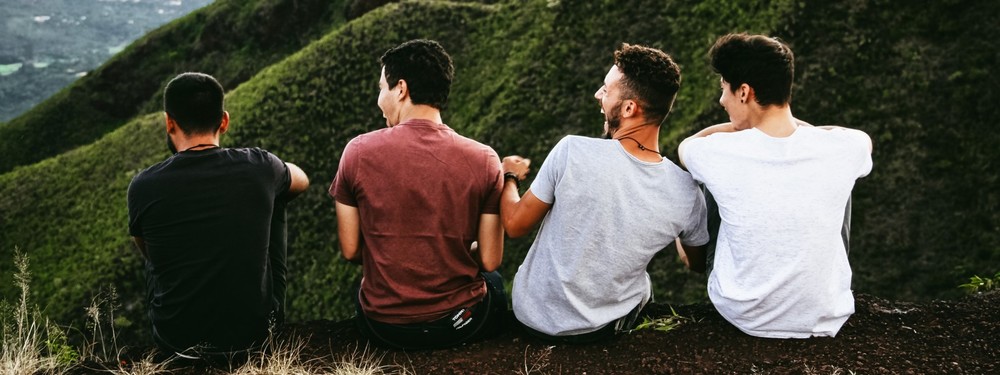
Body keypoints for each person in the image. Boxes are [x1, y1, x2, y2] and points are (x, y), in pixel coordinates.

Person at [500, 43, 710, 343]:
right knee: (643, 284)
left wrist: (509, 175)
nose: (598, 95)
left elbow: (514, 224)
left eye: (606, 89)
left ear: (628, 108)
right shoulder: (686, 192)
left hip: (531, 318)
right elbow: (696, 263)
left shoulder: (571, 150)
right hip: (600, 330)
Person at [678, 33, 873, 338]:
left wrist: (738, 128)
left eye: (724, 90)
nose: (721, 101)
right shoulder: (845, 148)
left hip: (743, 312)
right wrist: (797, 129)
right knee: (839, 178)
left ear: (744, 92)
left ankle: (699, 264)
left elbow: (687, 147)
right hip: (824, 315)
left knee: (709, 180)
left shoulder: (716, 151)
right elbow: (856, 137)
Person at [329, 39, 507, 350]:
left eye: (381, 88)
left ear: (401, 89)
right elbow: (490, 259)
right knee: (495, 282)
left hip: (383, 327)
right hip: (459, 324)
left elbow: (351, 250)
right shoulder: (485, 159)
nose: (378, 99)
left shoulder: (357, 152)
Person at [127, 72, 310, 357]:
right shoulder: (259, 166)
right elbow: (302, 180)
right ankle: (269, 317)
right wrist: (272, 172)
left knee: (157, 246)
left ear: (169, 122)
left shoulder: (142, 185)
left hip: (175, 338)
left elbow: (150, 254)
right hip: (252, 335)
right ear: (224, 121)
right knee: (278, 195)